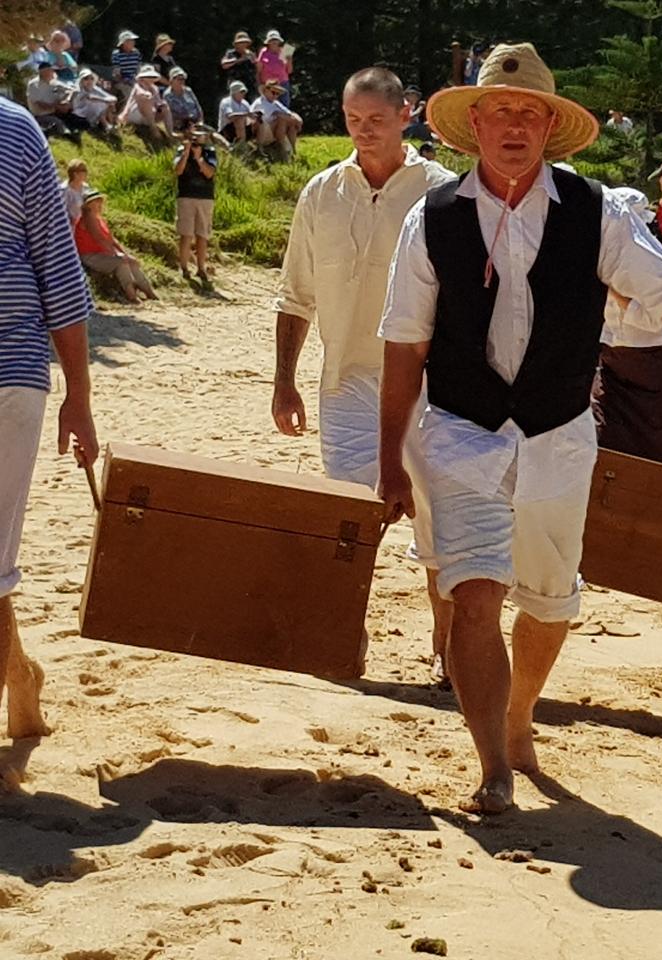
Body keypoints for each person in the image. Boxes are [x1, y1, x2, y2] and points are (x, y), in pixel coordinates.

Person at [379, 43, 662, 813]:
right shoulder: (434, 219)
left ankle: (519, 719)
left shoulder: (597, 213)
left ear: (549, 127)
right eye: (501, 112)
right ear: (473, 124)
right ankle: (493, 767)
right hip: (459, 433)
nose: (514, 125)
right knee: (473, 597)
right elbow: (403, 348)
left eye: (530, 113)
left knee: (549, 601)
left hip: (557, 437)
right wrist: (391, 458)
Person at [274, 67, 457, 685]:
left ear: (406, 113)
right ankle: (344, 641)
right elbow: (295, 295)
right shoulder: (321, 193)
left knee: (439, 523)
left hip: (434, 390)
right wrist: (284, 380)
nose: (364, 131)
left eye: (376, 119)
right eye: (353, 120)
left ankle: (447, 644)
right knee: (347, 522)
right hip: (345, 385)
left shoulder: (443, 193)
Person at [0, 99, 98, 743]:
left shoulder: (14, 129)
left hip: (7, 366)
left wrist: (80, 396)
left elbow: (58, 269)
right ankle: (21, 678)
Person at [594, 189, 662, 466]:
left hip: (654, 365)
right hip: (614, 362)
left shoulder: (656, 261)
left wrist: (614, 294)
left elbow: (659, 317)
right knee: (609, 438)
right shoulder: (599, 257)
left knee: (655, 443)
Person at [74, 189, 157, 303]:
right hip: (90, 255)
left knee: (130, 262)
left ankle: (149, 292)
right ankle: (132, 295)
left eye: (100, 201)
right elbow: (99, 239)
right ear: (88, 205)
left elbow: (111, 239)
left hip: (101, 254)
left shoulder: (99, 219)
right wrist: (116, 255)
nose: (100, 204)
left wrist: (125, 254)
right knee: (121, 263)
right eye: (96, 201)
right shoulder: (88, 219)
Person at [174, 124, 217, 283]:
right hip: (186, 196)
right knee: (186, 234)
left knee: (202, 235)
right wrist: (186, 154)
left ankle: (201, 268)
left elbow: (209, 173)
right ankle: (184, 267)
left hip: (205, 197)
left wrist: (199, 158)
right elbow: (178, 170)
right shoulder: (181, 150)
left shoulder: (209, 153)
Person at [25, 63, 84, 142]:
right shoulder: (34, 85)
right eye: (51, 71)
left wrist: (67, 99)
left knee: (72, 114)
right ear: (43, 72)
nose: (53, 72)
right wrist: (58, 107)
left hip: (55, 110)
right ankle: (68, 134)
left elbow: (72, 90)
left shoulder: (53, 82)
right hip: (40, 115)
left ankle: (77, 128)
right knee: (57, 122)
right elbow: (40, 105)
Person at [121, 64, 173, 145]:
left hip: (150, 114)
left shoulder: (155, 88)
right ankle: (153, 129)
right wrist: (147, 94)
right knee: (146, 99)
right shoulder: (137, 86)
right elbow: (141, 93)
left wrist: (161, 105)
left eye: (152, 76)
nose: (150, 78)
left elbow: (158, 102)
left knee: (165, 106)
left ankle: (170, 134)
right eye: (148, 76)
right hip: (135, 114)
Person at [251, 80, 302, 160]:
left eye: (277, 94)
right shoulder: (260, 103)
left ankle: (293, 149)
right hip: (264, 132)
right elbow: (263, 118)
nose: (275, 96)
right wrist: (288, 117)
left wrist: (298, 120)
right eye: (273, 92)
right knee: (282, 120)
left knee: (291, 123)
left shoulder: (275, 103)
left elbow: (289, 113)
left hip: (274, 130)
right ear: (266, 90)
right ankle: (282, 147)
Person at [71, 69, 118, 135]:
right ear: (81, 80)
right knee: (98, 103)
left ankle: (110, 124)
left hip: (91, 114)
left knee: (107, 104)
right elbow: (90, 97)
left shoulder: (94, 88)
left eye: (91, 78)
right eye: (86, 78)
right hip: (79, 114)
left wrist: (109, 102)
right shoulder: (78, 89)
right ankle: (106, 125)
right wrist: (105, 100)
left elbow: (113, 98)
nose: (89, 81)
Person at [257, 30, 293, 107]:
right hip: (268, 84)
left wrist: (289, 60)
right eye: (272, 40)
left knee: (284, 106)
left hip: (282, 83)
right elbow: (258, 70)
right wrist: (259, 84)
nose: (274, 42)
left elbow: (289, 71)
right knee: (269, 106)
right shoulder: (263, 52)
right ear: (268, 42)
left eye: (276, 40)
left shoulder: (285, 51)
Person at [163, 67, 203, 132]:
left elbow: (198, 107)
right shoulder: (167, 95)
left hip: (196, 122)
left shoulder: (188, 91)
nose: (182, 81)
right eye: (179, 79)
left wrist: (200, 121)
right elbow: (169, 114)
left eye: (183, 79)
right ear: (171, 80)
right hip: (181, 124)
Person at [218, 80, 254, 145]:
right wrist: (244, 114)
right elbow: (230, 117)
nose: (244, 94)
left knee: (256, 122)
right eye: (241, 92)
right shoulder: (226, 102)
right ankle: (241, 146)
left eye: (244, 92)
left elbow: (250, 116)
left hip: (243, 127)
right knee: (239, 119)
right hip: (227, 130)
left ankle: (260, 146)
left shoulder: (245, 103)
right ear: (234, 92)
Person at [61, 158, 88, 224]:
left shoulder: (86, 187)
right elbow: (61, 211)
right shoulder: (64, 190)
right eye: (83, 170)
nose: (86, 172)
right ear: (75, 174)